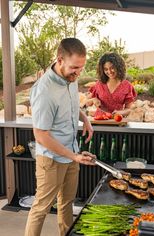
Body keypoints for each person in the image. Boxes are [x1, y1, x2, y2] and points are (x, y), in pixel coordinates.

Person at [25, 38, 96, 236]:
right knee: (41, 208)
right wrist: (74, 156)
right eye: (75, 68)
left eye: (81, 68)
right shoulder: (44, 91)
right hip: (51, 159)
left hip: (71, 153)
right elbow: (40, 135)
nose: (78, 73)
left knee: (66, 203)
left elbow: (73, 104)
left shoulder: (70, 79)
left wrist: (85, 119)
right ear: (59, 60)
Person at [87, 52, 137, 117]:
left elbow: (128, 109)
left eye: (112, 68)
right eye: (106, 69)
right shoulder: (99, 84)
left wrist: (120, 112)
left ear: (118, 67)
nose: (109, 71)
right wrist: (93, 100)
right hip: (100, 120)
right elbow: (86, 103)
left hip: (117, 121)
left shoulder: (127, 86)